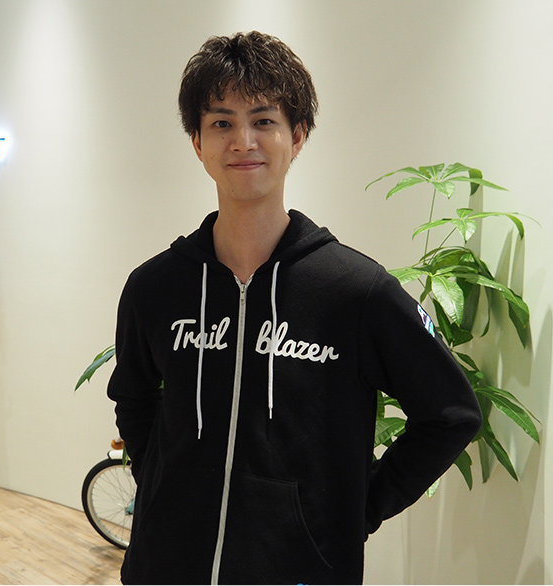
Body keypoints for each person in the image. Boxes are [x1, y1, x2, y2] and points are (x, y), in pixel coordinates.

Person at [107, 31, 482, 585]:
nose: (243, 141)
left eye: (263, 120)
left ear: (297, 136)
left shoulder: (356, 292)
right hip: (165, 566)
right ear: (197, 143)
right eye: (221, 123)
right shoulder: (155, 287)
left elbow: (451, 415)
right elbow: (133, 397)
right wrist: (165, 485)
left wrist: (356, 509)